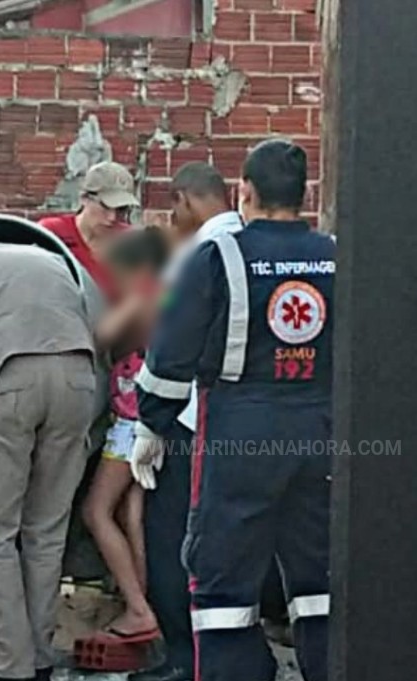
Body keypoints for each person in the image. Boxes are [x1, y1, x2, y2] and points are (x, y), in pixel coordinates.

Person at [133, 140, 334, 681]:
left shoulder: (216, 256)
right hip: (324, 430)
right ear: (303, 194)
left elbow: (170, 348)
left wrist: (151, 423)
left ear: (245, 191)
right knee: (321, 580)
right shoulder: (338, 255)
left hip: (239, 430)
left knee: (221, 581)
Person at [0, 238, 99, 681]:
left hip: (14, 378)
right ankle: (42, 657)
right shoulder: (48, 257)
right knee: (46, 532)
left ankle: (10, 665)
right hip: (81, 380)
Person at [129, 162, 243, 681]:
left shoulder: (196, 257)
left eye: (175, 206)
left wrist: (150, 424)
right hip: (255, 424)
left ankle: (183, 659)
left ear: (187, 200)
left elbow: (167, 347)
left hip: (192, 423)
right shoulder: (255, 247)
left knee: (173, 537)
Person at [81, 228, 171, 642]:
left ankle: (137, 608)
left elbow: (101, 335)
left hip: (131, 425)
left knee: (96, 512)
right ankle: (147, 601)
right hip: (155, 421)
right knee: (133, 515)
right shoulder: (174, 294)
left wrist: (125, 301)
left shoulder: (145, 298)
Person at [39, 161, 140, 300]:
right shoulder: (52, 233)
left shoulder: (133, 242)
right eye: (105, 206)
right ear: (84, 198)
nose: (112, 217)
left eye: (121, 209)